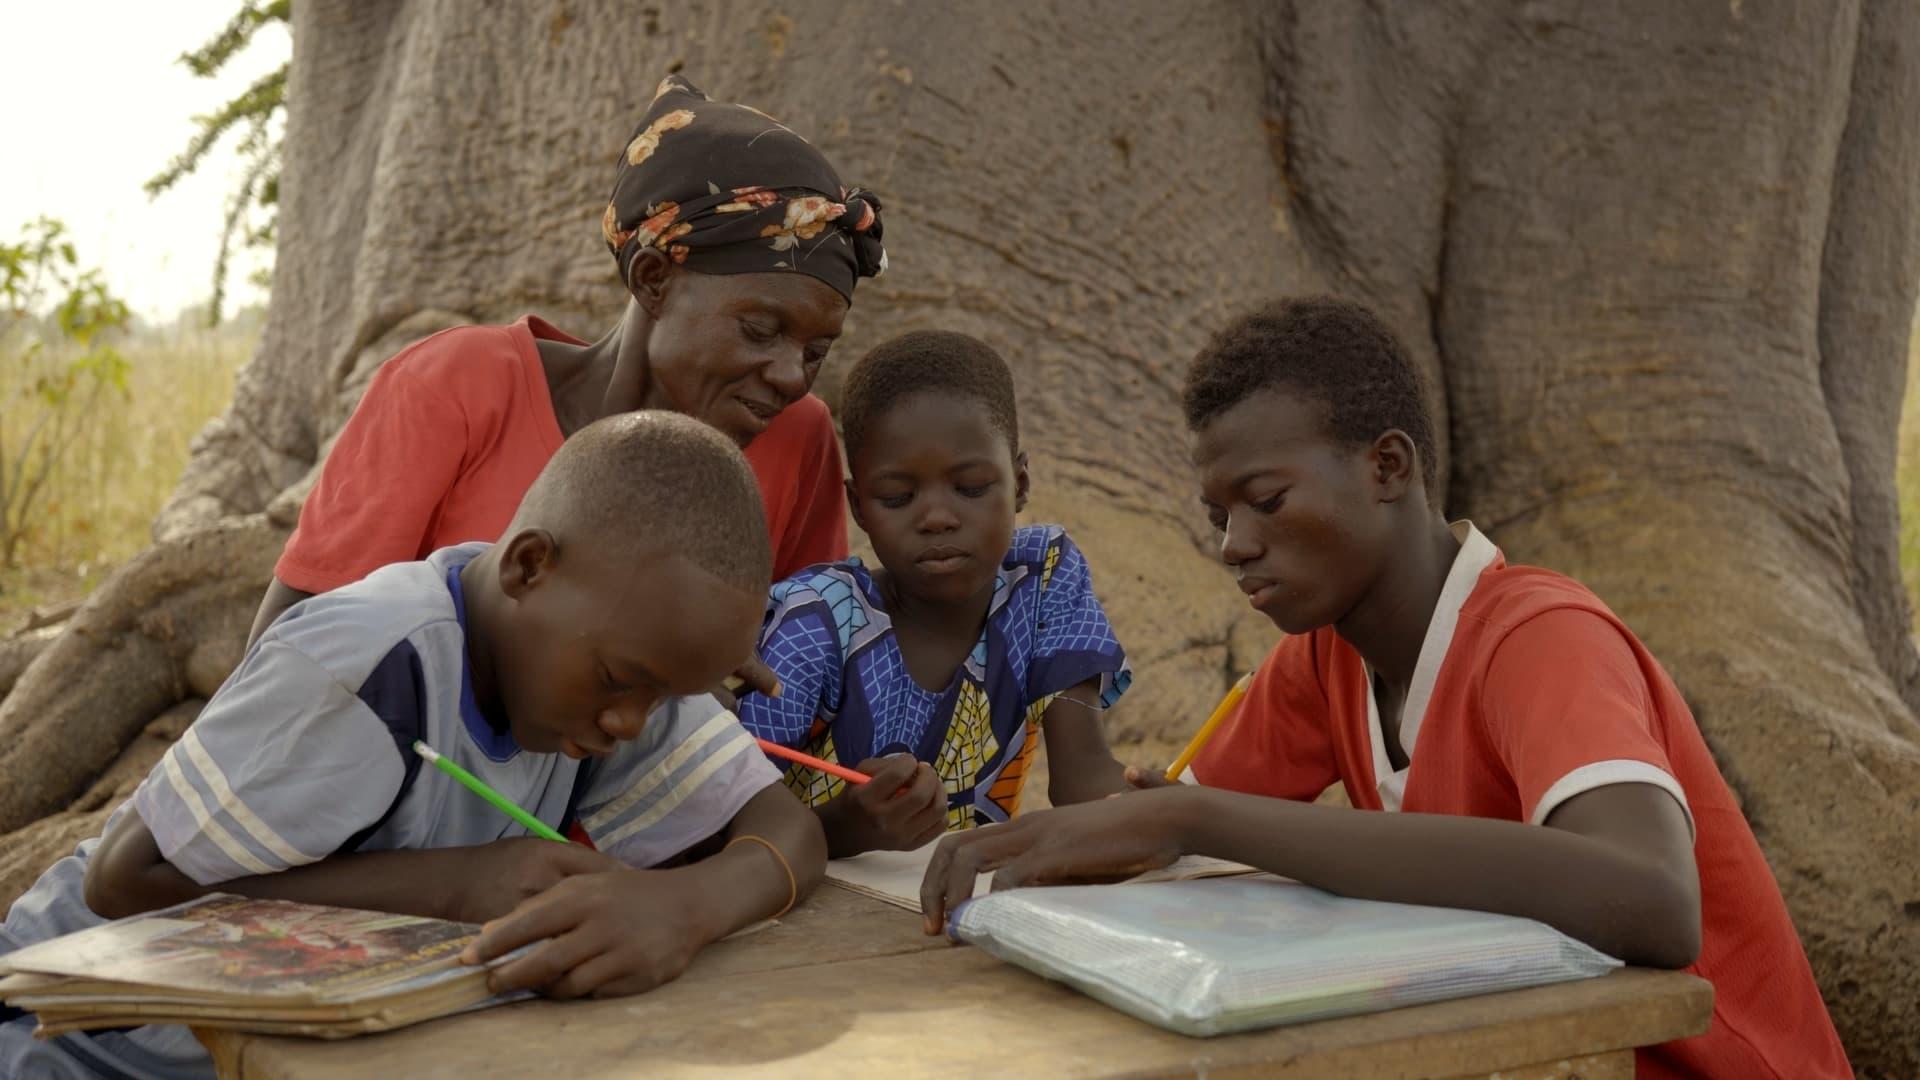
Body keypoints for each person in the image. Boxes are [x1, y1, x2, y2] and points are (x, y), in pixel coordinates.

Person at [918, 298, 1851, 1078]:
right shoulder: (1323, 661)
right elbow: (1168, 833)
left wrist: (1191, 823)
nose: (1234, 542)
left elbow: (1652, 902)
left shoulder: (1541, 638)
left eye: (1267, 500)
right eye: (1218, 514)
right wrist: (1103, 830)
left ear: (1388, 467)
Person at [0, 412, 826, 1079]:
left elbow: (790, 831)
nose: (632, 725)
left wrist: (683, 910)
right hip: (73, 1037)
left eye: (664, 698)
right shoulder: (370, 663)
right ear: (530, 567)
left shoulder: (618, 651)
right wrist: (461, 884)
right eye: (623, 683)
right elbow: (124, 880)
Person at [247, 73, 888, 668]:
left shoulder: (797, 439)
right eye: (760, 330)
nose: (789, 376)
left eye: (815, 352)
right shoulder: (459, 387)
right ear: (654, 280)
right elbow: (292, 645)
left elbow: (803, 663)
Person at [737, 331, 1132, 857]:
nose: (938, 517)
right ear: (858, 506)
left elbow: (1082, 778)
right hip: (806, 913)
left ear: (1020, 482)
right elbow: (720, 821)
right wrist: (846, 827)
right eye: (898, 497)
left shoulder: (1041, 575)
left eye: (970, 488)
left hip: (956, 913)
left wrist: (1169, 814)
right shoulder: (817, 622)